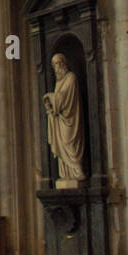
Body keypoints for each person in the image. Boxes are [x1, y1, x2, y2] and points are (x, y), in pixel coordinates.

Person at [43, 52, 86, 184]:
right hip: (60, 122)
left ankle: (78, 172)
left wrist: (49, 97)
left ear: (64, 63)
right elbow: (57, 103)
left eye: (59, 62)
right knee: (62, 148)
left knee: (71, 145)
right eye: (54, 64)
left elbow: (63, 99)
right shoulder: (58, 82)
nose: (57, 66)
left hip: (71, 121)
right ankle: (66, 174)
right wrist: (50, 107)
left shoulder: (71, 78)